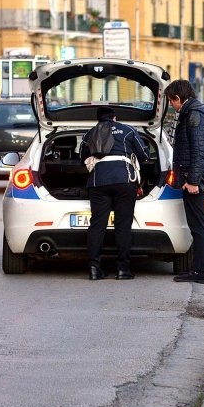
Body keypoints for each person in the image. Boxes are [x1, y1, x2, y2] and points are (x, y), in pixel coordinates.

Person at [79, 106, 150, 280]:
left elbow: (81, 157)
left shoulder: (91, 133)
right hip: (125, 181)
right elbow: (144, 154)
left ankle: (94, 269)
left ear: (98, 119)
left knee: (97, 225)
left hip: (98, 182)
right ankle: (123, 270)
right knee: (123, 226)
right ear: (115, 118)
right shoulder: (128, 130)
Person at [165, 79, 204, 284]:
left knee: (197, 227)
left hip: (194, 179)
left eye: (171, 102)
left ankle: (200, 271)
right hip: (196, 177)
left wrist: (192, 181)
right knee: (199, 225)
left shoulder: (193, 117)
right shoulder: (195, 113)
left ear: (178, 98)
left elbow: (198, 152)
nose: (171, 106)